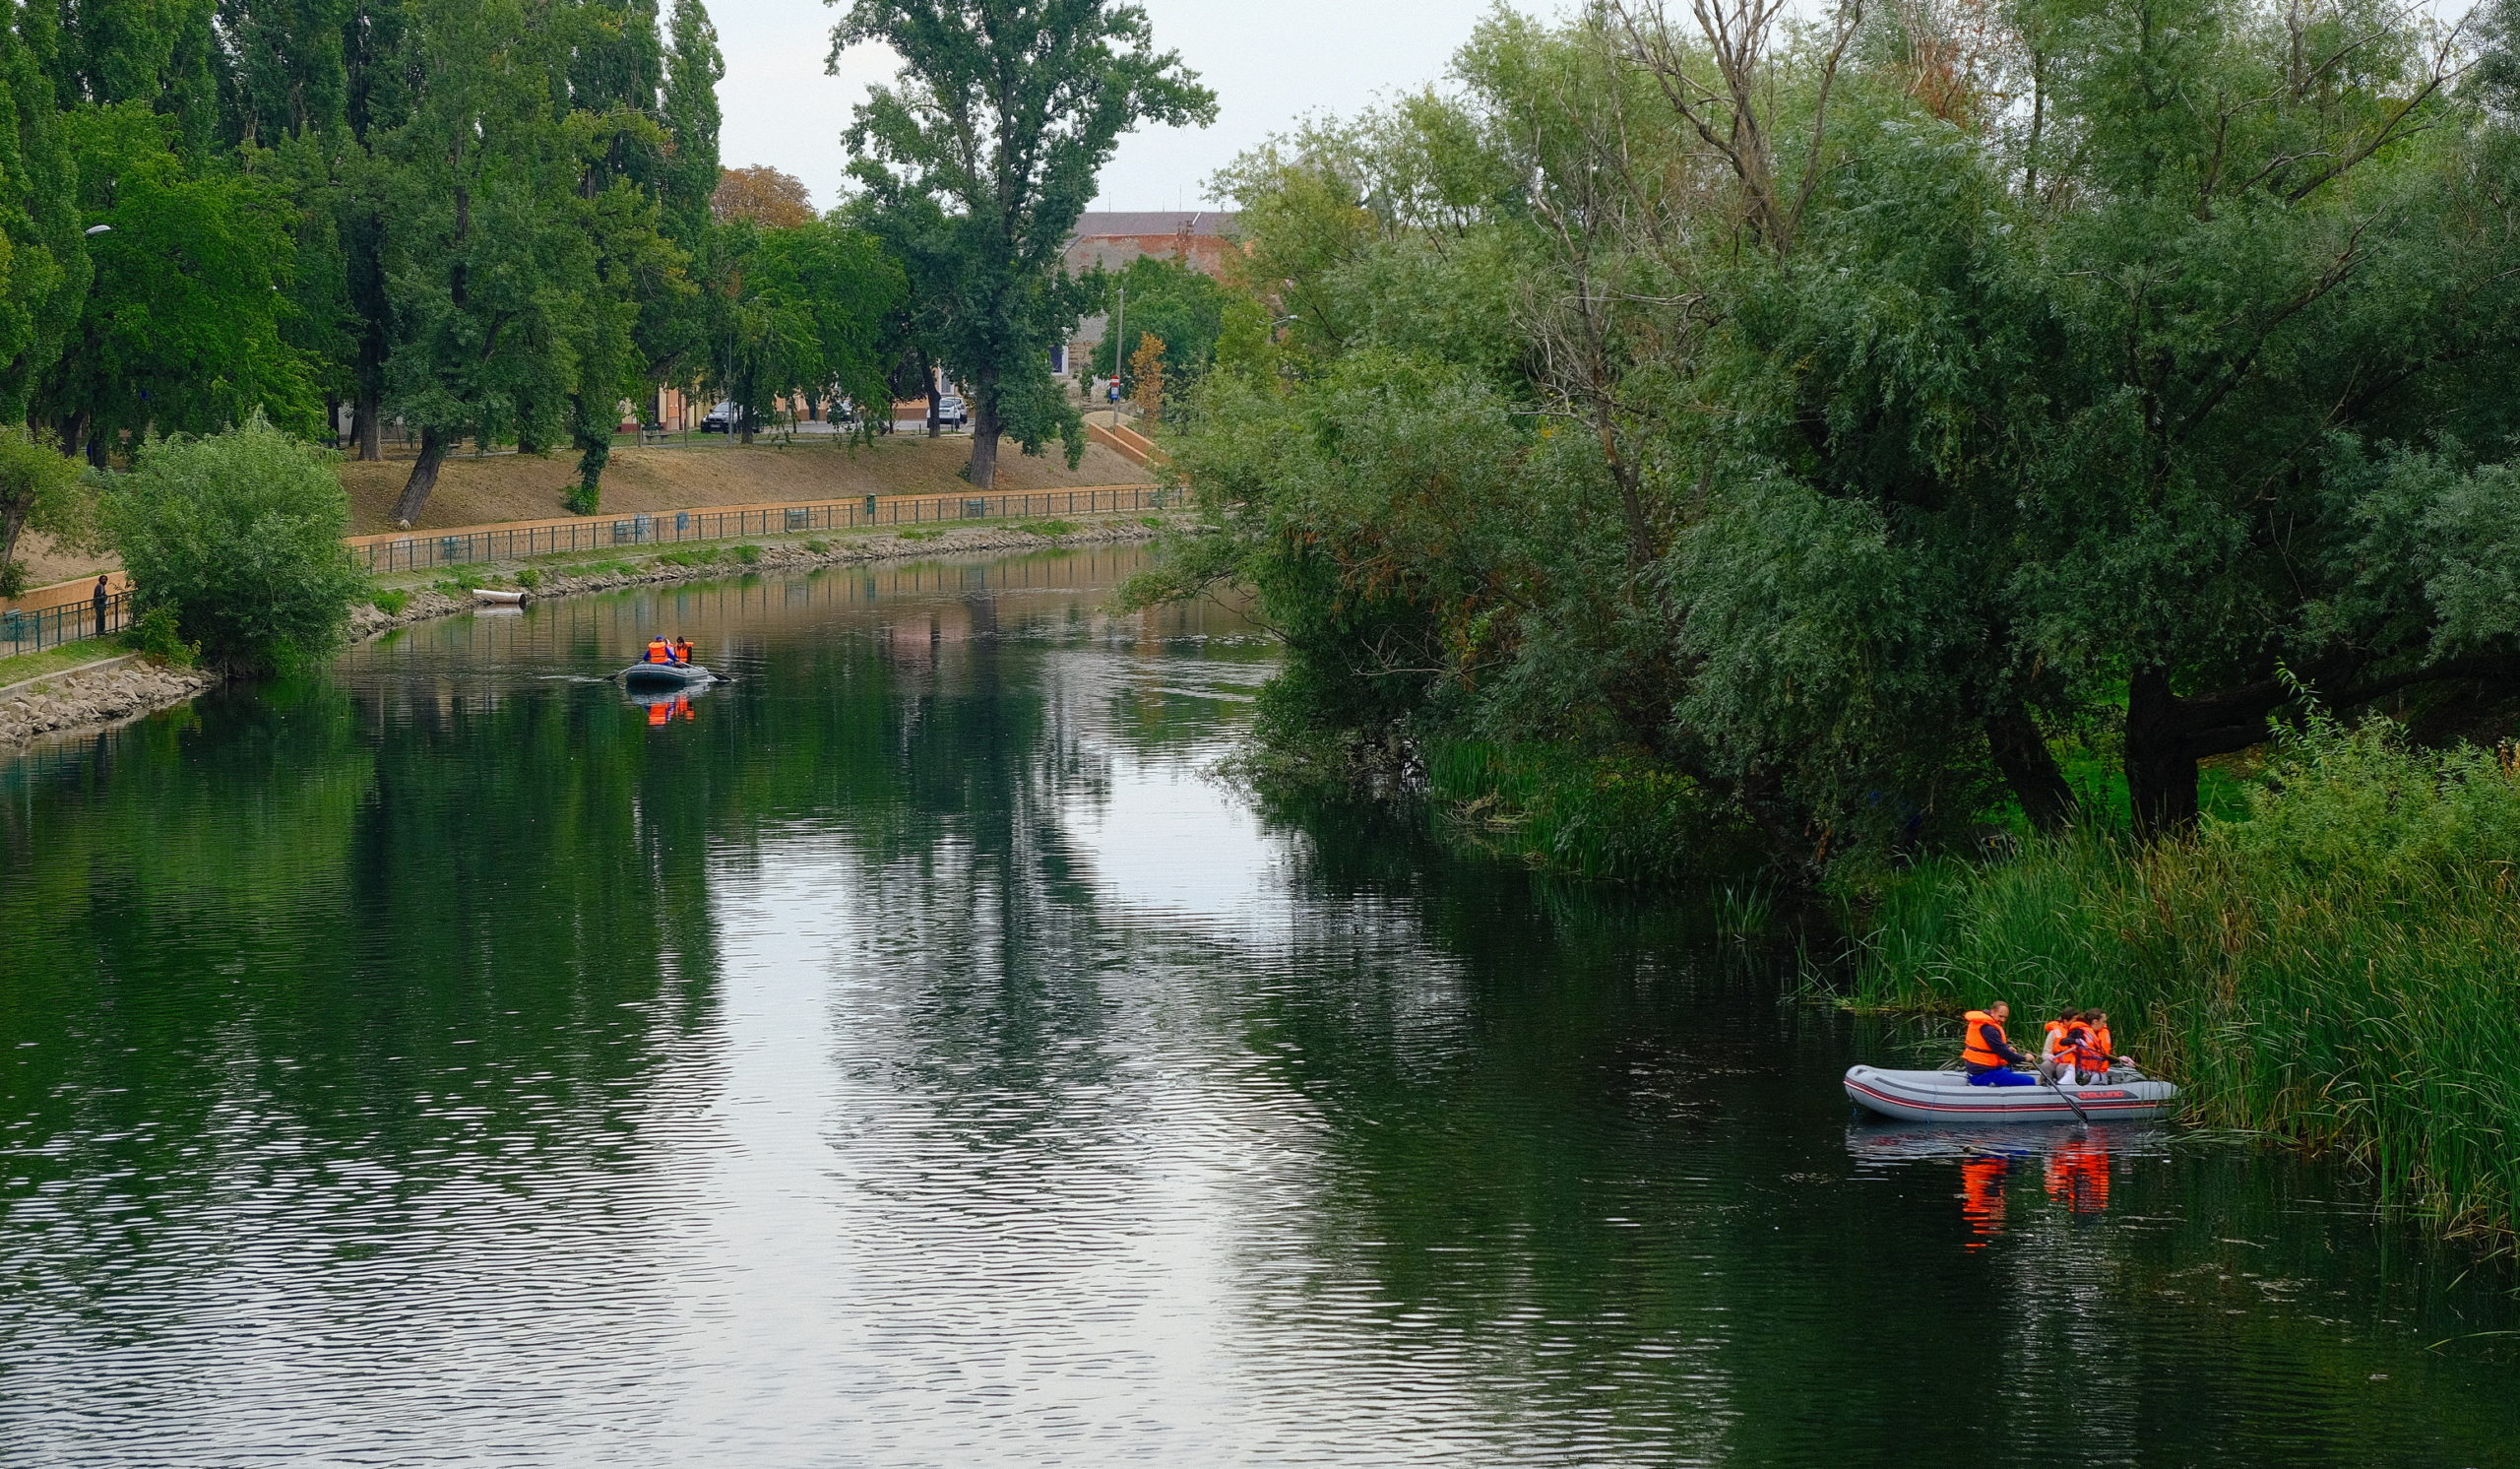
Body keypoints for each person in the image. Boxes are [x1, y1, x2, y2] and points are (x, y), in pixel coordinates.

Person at [1960, 1001, 2039, 1086]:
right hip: (1983, 1073)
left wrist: (2007, 1047)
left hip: (1980, 1069)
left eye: (2005, 1017)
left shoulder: (1982, 1024)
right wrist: (2024, 1058)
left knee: (2007, 1071)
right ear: (1992, 1012)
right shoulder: (1989, 1029)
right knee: (2030, 1081)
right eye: (2000, 1016)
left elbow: (1993, 1046)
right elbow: (2004, 1053)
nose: (2003, 1020)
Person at [91, 574, 109, 638]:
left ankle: (101, 630)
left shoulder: (102, 586)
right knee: (99, 617)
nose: (104, 580)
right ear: (100, 580)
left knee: (102, 617)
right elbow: (98, 595)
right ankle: (98, 631)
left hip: (101, 604)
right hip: (99, 604)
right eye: (103, 579)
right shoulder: (99, 586)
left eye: (105, 579)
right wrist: (104, 597)